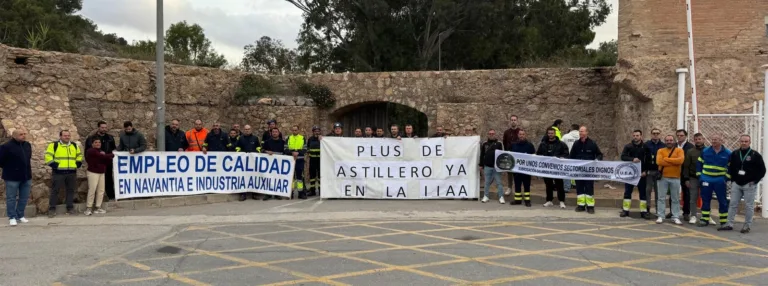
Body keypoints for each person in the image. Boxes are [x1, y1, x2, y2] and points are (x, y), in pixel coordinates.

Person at [720, 135, 765, 233]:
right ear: (739, 142)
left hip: (749, 184)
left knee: (748, 205)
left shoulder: (755, 155)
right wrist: (733, 180)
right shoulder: (735, 154)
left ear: (750, 142)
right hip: (736, 184)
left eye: (746, 141)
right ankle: (729, 224)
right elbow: (730, 167)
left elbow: (762, 170)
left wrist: (755, 181)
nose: (744, 143)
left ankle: (747, 226)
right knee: (732, 204)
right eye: (742, 141)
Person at [45, 130, 83, 217]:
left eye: (68, 135)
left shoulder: (74, 145)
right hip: (58, 172)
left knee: (70, 190)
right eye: (65, 136)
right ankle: (52, 209)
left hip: (71, 172)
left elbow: (79, 155)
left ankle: (70, 207)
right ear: (60, 136)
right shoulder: (54, 145)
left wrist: (78, 163)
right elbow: (48, 156)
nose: (67, 137)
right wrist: (54, 165)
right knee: (55, 190)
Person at [696, 134, 731, 227]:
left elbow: (731, 167)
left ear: (721, 140)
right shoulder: (705, 151)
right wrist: (700, 176)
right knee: (705, 199)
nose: (714, 141)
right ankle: (705, 219)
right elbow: (699, 163)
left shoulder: (727, 153)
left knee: (722, 200)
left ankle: (723, 220)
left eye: (716, 139)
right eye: (713, 139)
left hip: (720, 180)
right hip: (706, 179)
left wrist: (726, 178)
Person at [1, 129, 32, 226]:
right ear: (14, 136)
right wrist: (11, 168)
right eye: (21, 134)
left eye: (24, 134)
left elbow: (28, 158)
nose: (23, 136)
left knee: (24, 197)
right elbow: (1, 161)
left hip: (26, 176)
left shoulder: (27, 145)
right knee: (11, 198)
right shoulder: (6, 146)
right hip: (12, 177)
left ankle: (20, 215)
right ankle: (12, 217)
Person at [570, 126, 602, 214]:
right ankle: (581, 205)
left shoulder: (592, 143)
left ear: (587, 132)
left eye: (582, 131)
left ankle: (590, 206)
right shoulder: (576, 143)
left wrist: (597, 160)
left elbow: (599, 154)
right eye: (580, 132)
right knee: (579, 187)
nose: (581, 133)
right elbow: (571, 156)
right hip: (579, 171)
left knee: (589, 188)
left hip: (589, 171)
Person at [619, 130, 651, 219]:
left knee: (643, 193)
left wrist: (646, 171)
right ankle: (625, 210)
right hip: (630, 174)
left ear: (641, 136)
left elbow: (649, 160)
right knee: (627, 192)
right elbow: (623, 157)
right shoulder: (628, 146)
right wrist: (632, 159)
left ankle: (644, 211)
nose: (635, 137)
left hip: (642, 174)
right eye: (634, 135)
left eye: (637, 135)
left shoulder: (646, 147)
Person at [655, 135, 685, 225]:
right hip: (663, 177)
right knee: (661, 198)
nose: (669, 142)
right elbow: (659, 162)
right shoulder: (660, 151)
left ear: (674, 141)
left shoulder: (679, 150)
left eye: (671, 140)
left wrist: (667, 159)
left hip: (675, 177)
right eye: (667, 140)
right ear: (665, 141)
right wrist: (673, 162)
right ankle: (660, 216)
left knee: (675, 198)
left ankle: (675, 217)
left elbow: (680, 161)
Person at [536, 127, 568, 209]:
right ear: (547, 134)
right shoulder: (543, 144)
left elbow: (566, 154)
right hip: (546, 168)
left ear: (555, 134)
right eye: (549, 133)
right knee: (548, 185)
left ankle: (561, 201)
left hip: (557, 168)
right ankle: (549, 200)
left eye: (552, 133)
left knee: (559, 185)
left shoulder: (561, 144)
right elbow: (538, 154)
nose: (550, 135)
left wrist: (561, 158)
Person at [84, 121, 117, 200]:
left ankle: (111, 197)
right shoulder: (91, 138)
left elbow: (113, 150)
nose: (104, 129)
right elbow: (87, 152)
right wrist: (90, 163)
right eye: (102, 127)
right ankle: (95, 200)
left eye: (105, 127)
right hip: (96, 164)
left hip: (107, 163)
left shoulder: (110, 138)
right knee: (95, 184)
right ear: (98, 127)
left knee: (108, 180)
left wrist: (110, 157)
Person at [84, 138, 114, 216]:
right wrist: (111, 154)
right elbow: (102, 157)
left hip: (101, 172)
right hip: (93, 172)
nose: (98, 143)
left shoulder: (101, 151)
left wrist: (106, 156)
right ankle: (89, 207)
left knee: (101, 190)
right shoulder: (90, 151)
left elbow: (106, 160)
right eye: (96, 142)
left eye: (99, 142)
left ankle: (98, 207)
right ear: (92, 144)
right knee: (92, 190)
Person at [682, 133, 706, 224]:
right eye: (696, 139)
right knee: (693, 198)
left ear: (703, 139)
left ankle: (706, 215)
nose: (698, 141)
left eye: (699, 139)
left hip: (706, 177)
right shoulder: (690, 151)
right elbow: (686, 166)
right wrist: (686, 179)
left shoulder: (708, 151)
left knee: (705, 198)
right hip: (693, 178)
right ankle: (693, 215)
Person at [673, 129, 695, 220]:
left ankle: (686, 212)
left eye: (681, 135)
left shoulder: (690, 146)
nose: (679, 137)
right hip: (674, 172)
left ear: (685, 136)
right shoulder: (673, 146)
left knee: (686, 193)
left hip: (685, 173)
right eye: (678, 135)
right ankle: (672, 211)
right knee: (673, 193)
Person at [235, 125, 261, 201]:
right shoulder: (240, 138)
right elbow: (237, 148)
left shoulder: (255, 138)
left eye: (248, 129)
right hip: (243, 161)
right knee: (243, 177)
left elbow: (259, 148)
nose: (247, 130)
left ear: (251, 130)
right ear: (244, 130)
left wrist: (255, 153)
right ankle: (243, 194)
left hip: (253, 161)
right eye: (245, 129)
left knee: (253, 177)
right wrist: (241, 153)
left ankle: (254, 193)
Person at [511, 130, 536, 206]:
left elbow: (534, 156)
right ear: (518, 135)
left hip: (526, 170)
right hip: (517, 170)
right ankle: (517, 200)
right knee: (517, 185)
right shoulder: (514, 145)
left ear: (525, 135)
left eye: (523, 134)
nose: (521, 136)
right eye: (520, 134)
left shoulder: (530, 145)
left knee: (526, 185)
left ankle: (527, 201)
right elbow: (510, 156)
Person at [479, 129, 505, 203]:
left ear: (495, 134)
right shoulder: (485, 144)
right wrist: (481, 165)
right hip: (487, 166)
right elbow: (482, 155)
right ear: (488, 134)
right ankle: (486, 196)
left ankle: (501, 197)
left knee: (499, 182)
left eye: (493, 134)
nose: (491, 135)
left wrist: (502, 166)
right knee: (487, 182)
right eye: (490, 134)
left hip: (497, 167)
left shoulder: (499, 143)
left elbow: (502, 155)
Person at [644, 128, 665, 217]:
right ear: (651, 134)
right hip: (649, 171)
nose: (655, 135)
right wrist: (644, 170)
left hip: (659, 172)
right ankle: (647, 209)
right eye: (654, 133)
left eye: (657, 133)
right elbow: (643, 158)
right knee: (647, 191)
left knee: (658, 192)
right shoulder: (646, 145)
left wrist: (662, 171)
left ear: (660, 134)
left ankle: (658, 210)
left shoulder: (663, 145)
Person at [262, 128, 286, 201]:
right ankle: (268, 194)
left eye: (276, 132)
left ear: (278, 133)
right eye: (273, 132)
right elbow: (261, 150)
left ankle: (277, 193)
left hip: (279, 164)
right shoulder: (267, 142)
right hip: (269, 164)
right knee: (268, 178)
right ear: (271, 133)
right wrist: (266, 152)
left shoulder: (283, 142)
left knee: (278, 178)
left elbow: (286, 152)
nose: (274, 133)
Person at [286, 125, 308, 199]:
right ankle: (290, 193)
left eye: (296, 130)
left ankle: (301, 193)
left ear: (298, 130)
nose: (294, 131)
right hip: (290, 160)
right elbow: (285, 149)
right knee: (291, 177)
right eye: (293, 130)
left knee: (300, 178)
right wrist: (292, 152)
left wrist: (298, 152)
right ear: (291, 130)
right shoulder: (288, 138)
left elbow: (305, 149)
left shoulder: (302, 138)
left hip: (300, 160)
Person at [502, 115, 521, 197]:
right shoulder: (506, 132)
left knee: (517, 172)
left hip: (518, 155)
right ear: (510, 121)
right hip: (509, 155)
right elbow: (504, 142)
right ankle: (509, 187)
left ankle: (518, 188)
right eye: (512, 120)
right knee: (509, 172)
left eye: (515, 120)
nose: (513, 121)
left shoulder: (520, 131)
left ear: (517, 121)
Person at [561, 124, 580, 193]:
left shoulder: (565, 136)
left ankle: (566, 188)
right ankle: (579, 187)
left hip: (567, 157)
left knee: (567, 172)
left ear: (571, 128)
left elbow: (560, 145)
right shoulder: (581, 136)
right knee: (578, 172)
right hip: (579, 157)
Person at [307, 126, 322, 197]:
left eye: (318, 131)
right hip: (312, 160)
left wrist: (321, 140)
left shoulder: (322, 139)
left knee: (320, 176)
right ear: (313, 132)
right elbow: (307, 149)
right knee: (312, 176)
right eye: (315, 131)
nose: (317, 132)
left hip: (320, 160)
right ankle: (312, 190)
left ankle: (320, 190)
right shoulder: (310, 139)